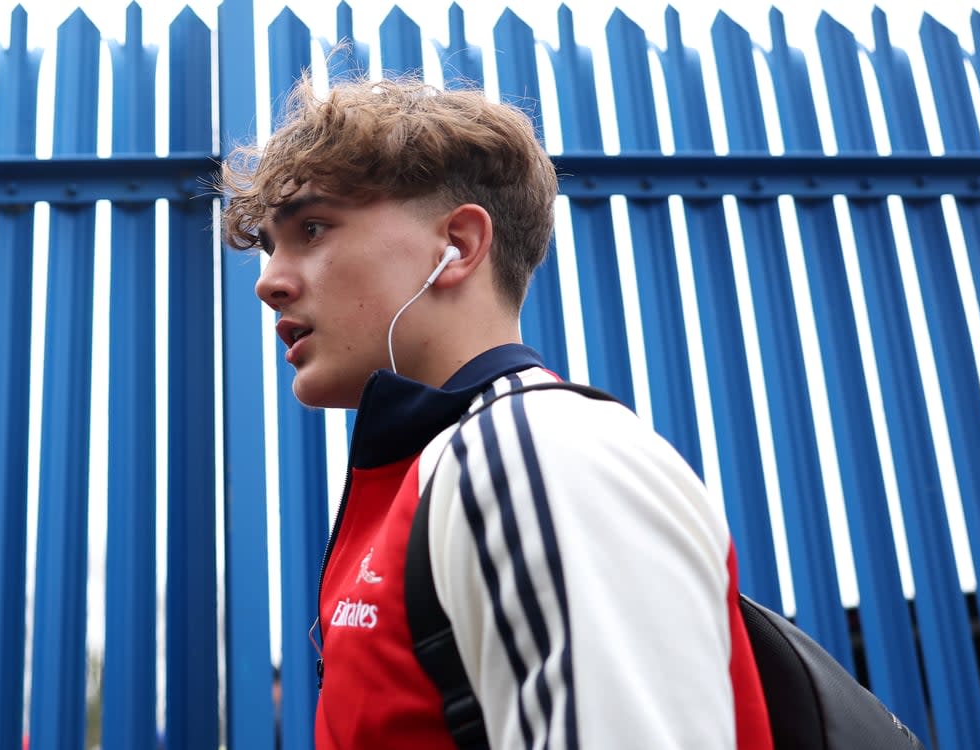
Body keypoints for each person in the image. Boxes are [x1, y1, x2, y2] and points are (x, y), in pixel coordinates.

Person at [221, 76, 772, 749]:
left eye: (311, 228)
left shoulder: (536, 453)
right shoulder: (442, 470)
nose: (269, 282)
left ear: (458, 244)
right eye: (270, 247)